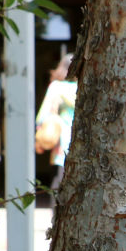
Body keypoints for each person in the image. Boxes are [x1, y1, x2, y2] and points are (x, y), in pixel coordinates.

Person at [35, 54, 77, 194]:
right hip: (80, 142)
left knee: (58, 185)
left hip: (61, 144)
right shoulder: (83, 87)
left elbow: (43, 116)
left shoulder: (56, 88)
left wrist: (39, 139)